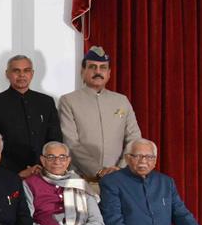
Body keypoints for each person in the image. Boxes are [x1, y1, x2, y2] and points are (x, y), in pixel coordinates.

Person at [58, 46, 142, 185]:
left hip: (120, 179)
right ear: (82, 71)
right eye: (92, 67)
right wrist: (98, 171)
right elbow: (71, 143)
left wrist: (120, 169)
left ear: (109, 73)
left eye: (103, 67)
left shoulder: (121, 100)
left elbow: (134, 138)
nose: (98, 72)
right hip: (83, 179)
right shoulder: (69, 101)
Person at [0, 55, 62, 178]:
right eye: (16, 71)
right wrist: (17, 173)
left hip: (44, 173)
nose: (21, 75)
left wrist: (46, 166)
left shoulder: (46, 102)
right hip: (7, 174)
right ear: (7, 74)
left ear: (32, 74)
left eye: (26, 70)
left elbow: (55, 139)